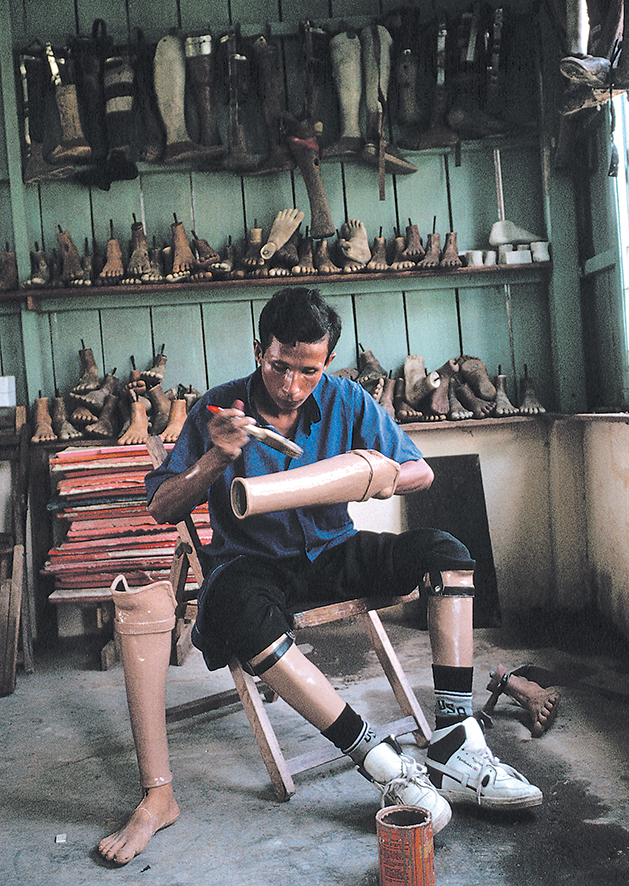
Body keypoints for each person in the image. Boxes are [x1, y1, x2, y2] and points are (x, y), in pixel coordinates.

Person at [98, 286, 541, 866]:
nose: (291, 385)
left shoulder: (346, 398)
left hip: (335, 551)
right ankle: (382, 763)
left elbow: (419, 472)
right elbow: (160, 508)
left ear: (325, 361)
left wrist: (378, 477)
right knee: (233, 606)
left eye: (307, 371)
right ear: (261, 350)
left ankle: (456, 739)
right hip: (255, 565)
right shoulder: (220, 408)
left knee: (447, 551)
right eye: (280, 367)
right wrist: (216, 458)